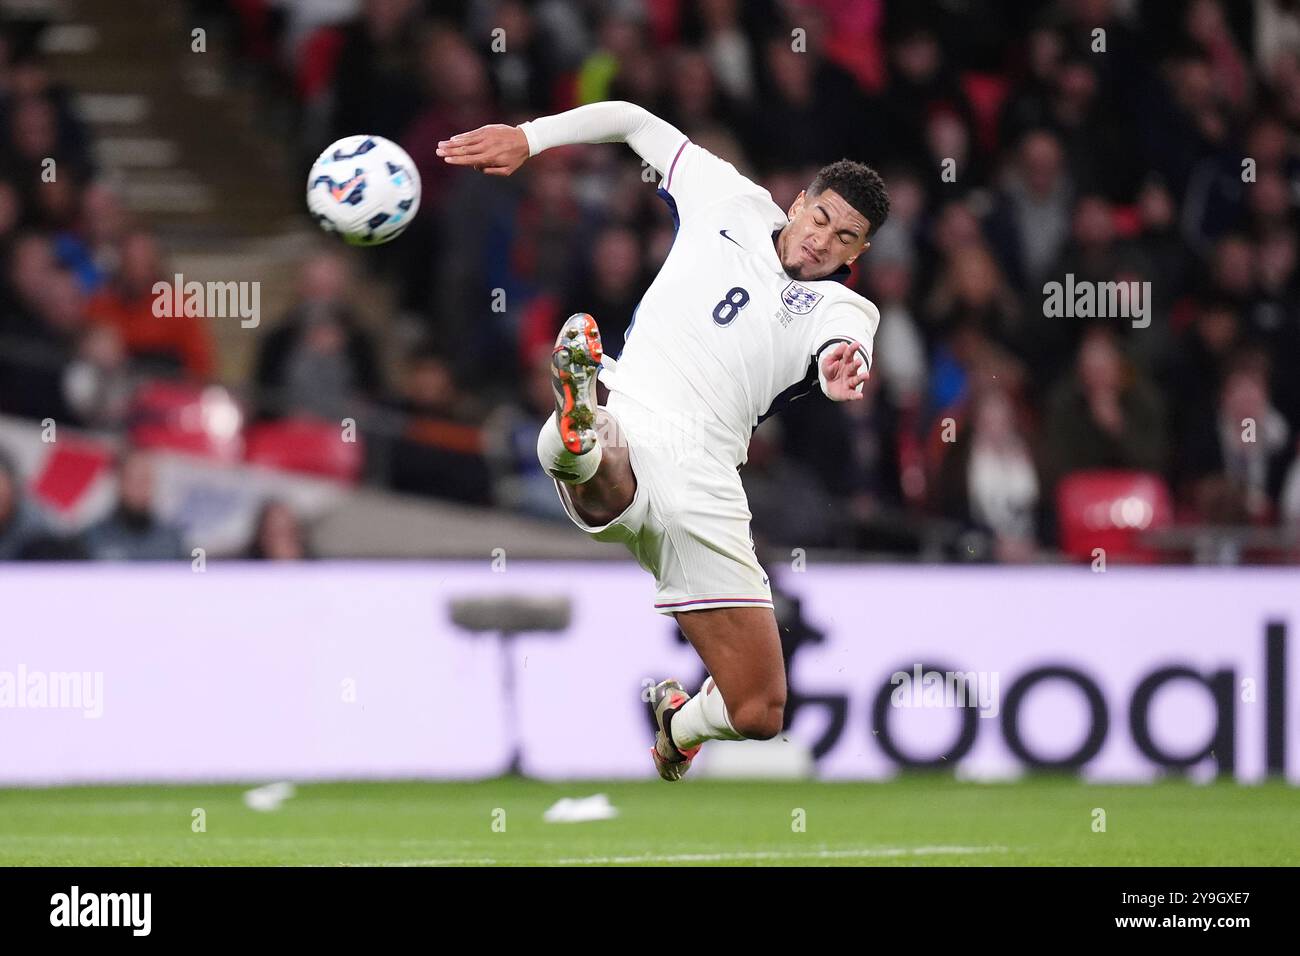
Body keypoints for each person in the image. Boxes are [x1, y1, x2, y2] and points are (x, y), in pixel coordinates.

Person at [438, 100, 888, 781]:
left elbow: (843, 348)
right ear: (797, 204)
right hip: (639, 414)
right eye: (820, 218)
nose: (823, 241)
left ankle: (678, 726)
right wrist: (529, 139)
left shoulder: (844, 307)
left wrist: (840, 367)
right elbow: (632, 120)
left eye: (846, 238)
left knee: (761, 709)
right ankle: (578, 421)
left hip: (707, 480)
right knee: (603, 464)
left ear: (860, 251)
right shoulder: (729, 200)